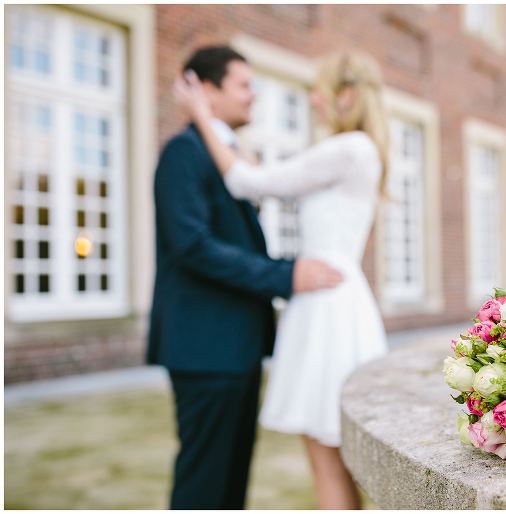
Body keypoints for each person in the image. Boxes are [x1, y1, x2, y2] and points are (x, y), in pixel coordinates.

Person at [173, 50, 389, 509]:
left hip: (325, 302)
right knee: (336, 454)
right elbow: (260, 172)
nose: (312, 101)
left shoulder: (346, 147)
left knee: (326, 457)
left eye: (320, 91)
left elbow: (247, 182)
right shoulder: (357, 149)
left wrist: (199, 115)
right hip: (333, 299)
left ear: (345, 96)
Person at [148, 45, 343, 510]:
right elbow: (193, 247)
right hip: (205, 348)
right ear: (207, 89)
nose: (253, 95)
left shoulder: (226, 154)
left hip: (236, 345)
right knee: (205, 480)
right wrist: (286, 275)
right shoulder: (184, 152)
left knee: (232, 479)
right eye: (243, 85)